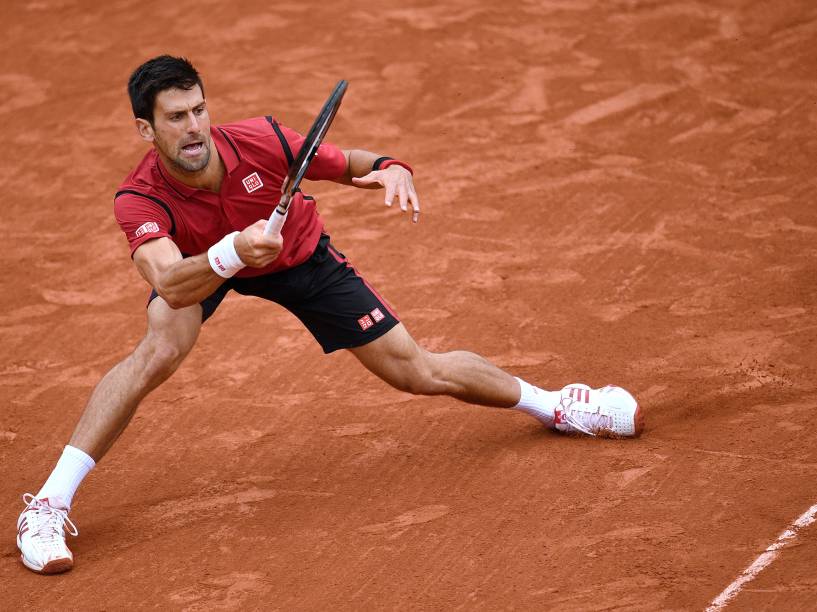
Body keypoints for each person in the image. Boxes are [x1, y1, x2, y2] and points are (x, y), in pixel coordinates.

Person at [16, 55, 644, 575]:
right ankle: (46, 506)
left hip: (299, 258)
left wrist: (391, 168)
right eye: (175, 117)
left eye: (199, 110)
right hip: (202, 267)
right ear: (145, 130)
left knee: (415, 371)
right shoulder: (139, 196)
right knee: (156, 351)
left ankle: (555, 404)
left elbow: (354, 163)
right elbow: (168, 282)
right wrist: (233, 251)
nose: (194, 127)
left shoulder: (260, 140)